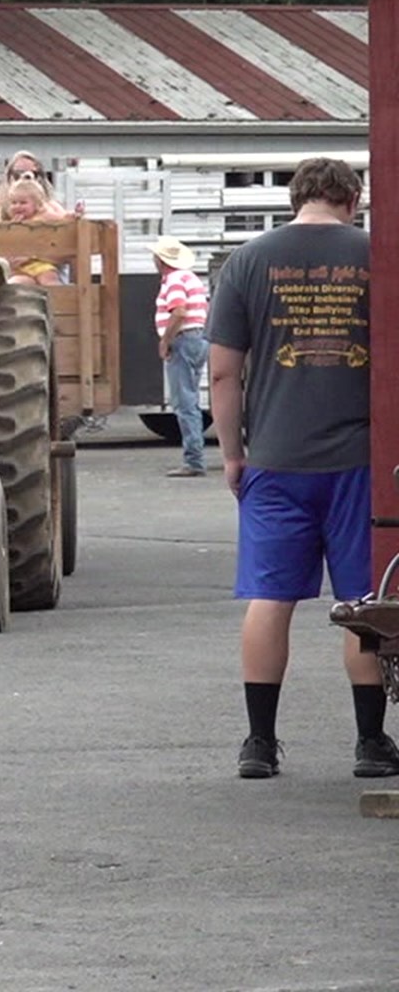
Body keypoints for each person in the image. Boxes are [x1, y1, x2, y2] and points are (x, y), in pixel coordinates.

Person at [206, 156, 396, 781]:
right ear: (352, 198)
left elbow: (224, 371)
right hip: (360, 462)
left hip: (277, 457)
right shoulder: (378, 255)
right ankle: (371, 743)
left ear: (296, 197)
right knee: (364, 601)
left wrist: (234, 452)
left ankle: (259, 743)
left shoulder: (248, 262)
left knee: (270, 596)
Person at [151, 237, 210, 479]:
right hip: (198, 338)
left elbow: (179, 311)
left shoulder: (173, 281)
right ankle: (194, 457)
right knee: (191, 398)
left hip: (183, 339)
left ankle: (193, 460)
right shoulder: (190, 277)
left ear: (160, 259)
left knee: (183, 402)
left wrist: (165, 340)